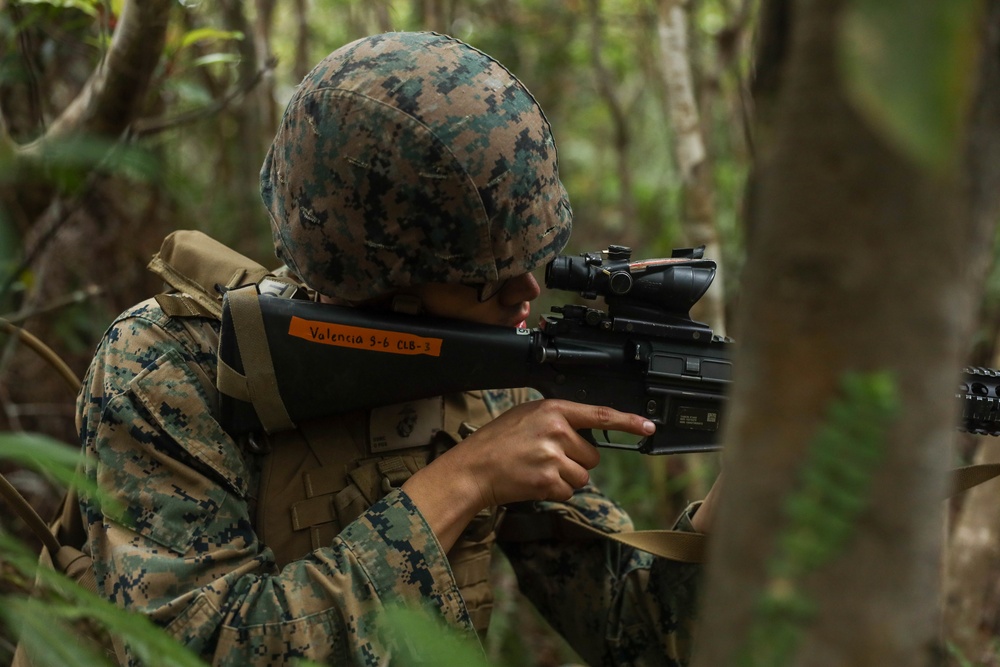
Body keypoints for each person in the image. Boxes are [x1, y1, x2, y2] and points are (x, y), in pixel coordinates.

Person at [77, 31, 718, 666]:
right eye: (483, 280)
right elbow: (197, 650)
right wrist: (465, 479)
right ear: (380, 278)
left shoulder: (493, 368)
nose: (526, 292)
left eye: (537, 264)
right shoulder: (168, 368)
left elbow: (636, 630)